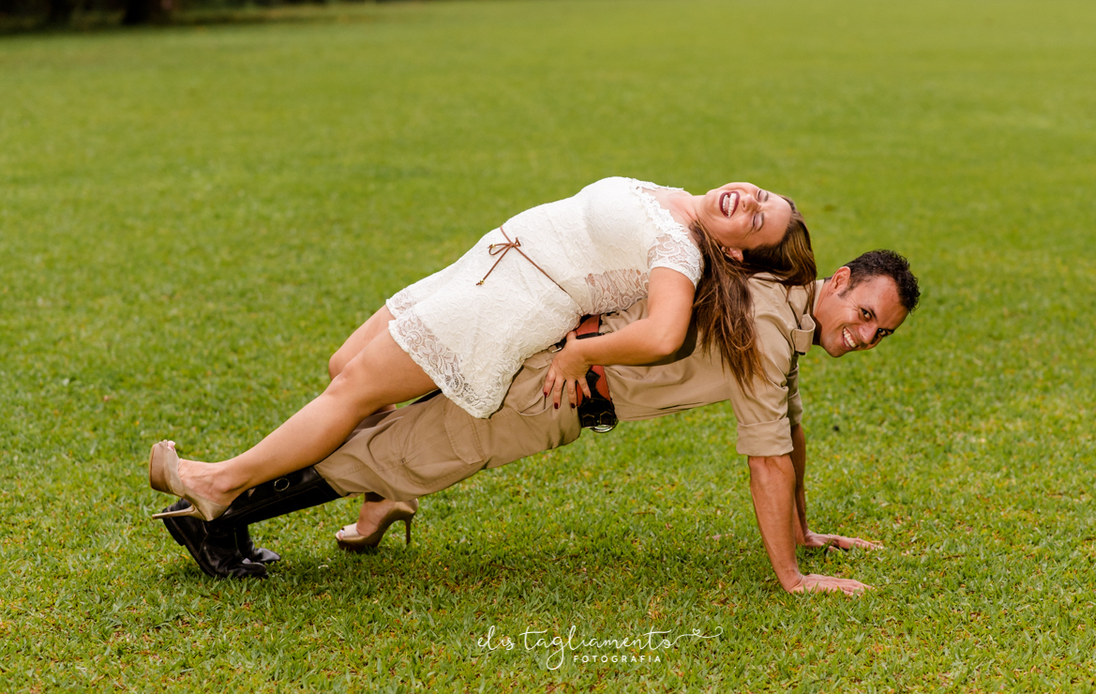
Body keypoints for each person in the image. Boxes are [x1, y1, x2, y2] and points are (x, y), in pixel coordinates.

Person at [158, 250, 919, 595]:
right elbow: (768, 458)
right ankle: (211, 516)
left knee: (383, 437)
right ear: (840, 281)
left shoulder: (779, 294)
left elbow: (788, 432)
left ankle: (224, 505)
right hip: (551, 392)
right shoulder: (772, 330)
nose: (863, 336)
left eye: (879, 333)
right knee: (395, 456)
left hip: (550, 353)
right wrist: (792, 576)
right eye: (863, 314)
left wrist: (803, 530)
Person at [150, 178, 815, 522]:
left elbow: (665, 334)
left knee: (350, 392)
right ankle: (385, 495)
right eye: (759, 195)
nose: (747, 202)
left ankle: (219, 482)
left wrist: (580, 355)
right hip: (484, 265)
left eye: (756, 220)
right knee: (344, 365)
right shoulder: (678, 201)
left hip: (500, 305)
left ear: (735, 253)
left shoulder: (680, 249)